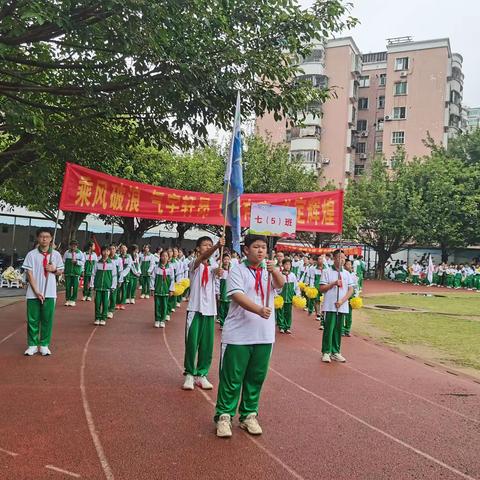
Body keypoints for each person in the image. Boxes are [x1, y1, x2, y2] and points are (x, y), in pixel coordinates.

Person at [215, 234, 285, 438]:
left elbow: (280, 286)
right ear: (246, 250)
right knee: (232, 378)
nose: (261, 251)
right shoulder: (237, 268)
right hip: (238, 334)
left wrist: (275, 271)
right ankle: (224, 416)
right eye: (256, 247)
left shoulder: (268, 270)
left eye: (263, 247)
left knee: (256, 377)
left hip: (264, 335)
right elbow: (237, 295)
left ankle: (248, 415)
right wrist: (258, 310)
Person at [183, 236, 225, 391]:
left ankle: (201, 374)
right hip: (195, 308)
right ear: (198, 248)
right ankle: (189, 373)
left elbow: (215, 272)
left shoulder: (214, 265)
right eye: (204, 245)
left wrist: (219, 271)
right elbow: (203, 258)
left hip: (210, 310)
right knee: (192, 343)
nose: (207, 247)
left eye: (209, 244)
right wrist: (215, 246)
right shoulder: (194, 263)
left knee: (207, 345)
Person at [22, 228, 64, 356]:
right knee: (33, 319)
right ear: (37, 238)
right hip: (33, 293)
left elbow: (60, 271)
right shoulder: (31, 254)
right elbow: (29, 273)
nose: (44, 239)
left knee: (47, 319)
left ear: (51, 239)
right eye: (41, 236)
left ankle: (44, 345)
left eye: (47, 236)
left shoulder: (55, 255)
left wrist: (54, 269)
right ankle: (32, 345)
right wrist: (37, 291)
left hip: (50, 292)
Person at [319, 249, 354, 364]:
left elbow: (350, 290)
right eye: (339, 257)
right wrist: (333, 283)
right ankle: (326, 351)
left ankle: (336, 351)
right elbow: (322, 288)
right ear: (334, 258)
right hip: (330, 305)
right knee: (329, 328)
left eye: (343, 258)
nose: (342, 260)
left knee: (339, 329)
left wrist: (342, 301)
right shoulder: (327, 271)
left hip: (342, 306)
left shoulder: (347, 274)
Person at [90, 245, 118, 326]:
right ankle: (97, 317)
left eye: (107, 251)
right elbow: (93, 274)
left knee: (105, 303)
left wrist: (113, 286)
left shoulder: (112, 263)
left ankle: (103, 318)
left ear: (109, 252)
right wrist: (92, 284)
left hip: (107, 287)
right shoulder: (97, 263)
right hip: (98, 286)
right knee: (97, 302)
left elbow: (114, 276)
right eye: (104, 251)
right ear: (101, 252)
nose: (105, 253)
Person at [152, 250, 175, 328]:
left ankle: (162, 320)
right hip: (157, 289)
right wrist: (152, 288)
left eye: (166, 256)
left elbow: (172, 279)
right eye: (163, 256)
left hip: (166, 290)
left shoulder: (170, 267)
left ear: (168, 258)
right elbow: (152, 278)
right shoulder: (156, 267)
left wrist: (171, 289)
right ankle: (157, 319)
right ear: (160, 257)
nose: (164, 257)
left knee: (164, 305)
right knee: (157, 305)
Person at [278, 258, 300, 334]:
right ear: (283, 265)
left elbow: (296, 286)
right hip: (281, 297)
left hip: (290, 297)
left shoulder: (293, 275)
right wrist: (276, 295)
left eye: (289, 264)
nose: (288, 266)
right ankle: (281, 326)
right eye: (286, 264)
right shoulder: (279, 274)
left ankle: (287, 327)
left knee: (288, 312)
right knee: (280, 312)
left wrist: (298, 294)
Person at [63, 239, 85, 306]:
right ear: (70, 246)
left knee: (75, 287)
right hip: (68, 272)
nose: (73, 247)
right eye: (72, 245)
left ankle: (73, 300)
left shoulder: (80, 253)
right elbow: (63, 261)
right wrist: (64, 270)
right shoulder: (67, 252)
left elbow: (83, 262)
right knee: (67, 286)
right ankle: (67, 299)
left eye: (75, 245)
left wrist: (77, 262)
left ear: (77, 246)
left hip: (76, 272)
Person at [342, 259, 358, 337]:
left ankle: (347, 330)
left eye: (350, 264)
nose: (349, 266)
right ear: (344, 265)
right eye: (347, 264)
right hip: (343, 296)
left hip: (350, 296)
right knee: (342, 313)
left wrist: (356, 296)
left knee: (349, 314)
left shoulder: (354, 275)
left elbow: (356, 286)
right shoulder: (342, 273)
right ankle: (341, 329)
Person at [216, 253, 232, 328]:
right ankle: (222, 323)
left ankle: (228, 323)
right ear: (222, 260)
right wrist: (218, 292)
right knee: (222, 308)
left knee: (229, 308)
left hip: (229, 291)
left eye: (228, 259)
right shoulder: (220, 270)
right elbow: (217, 282)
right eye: (225, 259)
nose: (226, 261)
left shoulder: (232, 270)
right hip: (222, 291)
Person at [116, 244, 132, 310]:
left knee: (124, 289)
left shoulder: (129, 257)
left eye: (124, 248)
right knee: (118, 289)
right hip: (118, 275)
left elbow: (129, 266)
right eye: (121, 248)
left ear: (126, 249)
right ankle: (117, 303)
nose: (123, 249)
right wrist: (120, 274)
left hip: (125, 275)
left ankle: (122, 303)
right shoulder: (118, 257)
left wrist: (123, 274)